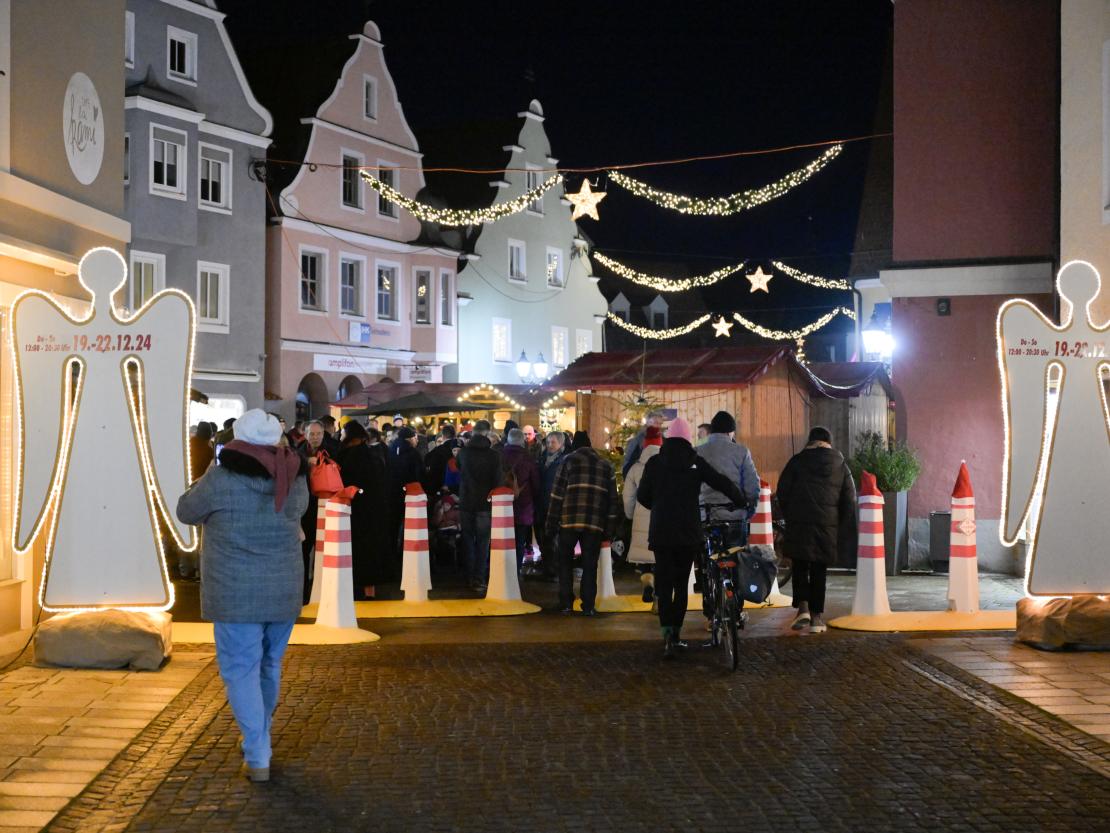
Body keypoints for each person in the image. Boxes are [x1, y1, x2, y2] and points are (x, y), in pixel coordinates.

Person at [176, 410, 309, 782]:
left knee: (241, 670)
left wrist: (206, 475)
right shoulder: (295, 475)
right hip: (283, 587)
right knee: (268, 665)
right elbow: (300, 512)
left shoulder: (221, 478)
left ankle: (257, 752)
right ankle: (259, 737)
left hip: (236, 591)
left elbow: (186, 511)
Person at [636, 417, 746, 658]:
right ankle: (676, 633)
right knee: (680, 584)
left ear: (668, 437)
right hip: (688, 532)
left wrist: (659, 504)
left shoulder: (655, 462)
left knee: (663, 584)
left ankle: (667, 635)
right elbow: (721, 482)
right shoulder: (695, 461)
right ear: (688, 438)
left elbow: (642, 496)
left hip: (662, 531)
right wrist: (740, 500)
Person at [776, 425, 858, 634]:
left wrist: (790, 516)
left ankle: (802, 607)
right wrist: (840, 524)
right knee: (820, 569)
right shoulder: (840, 464)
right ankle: (816, 618)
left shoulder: (796, 461)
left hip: (799, 522)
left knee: (801, 564)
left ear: (810, 441)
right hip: (827, 524)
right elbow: (850, 499)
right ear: (828, 442)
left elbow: (782, 492)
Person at [544, 431, 619, 615]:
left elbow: (557, 495)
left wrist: (551, 525)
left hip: (568, 521)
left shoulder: (567, 462)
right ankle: (588, 606)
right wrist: (609, 530)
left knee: (565, 563)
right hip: (594, 523)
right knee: (589, 565)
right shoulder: (606, 465)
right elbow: (612, 500)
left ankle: (566, 603)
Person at [337, 420, 391, 598]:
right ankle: (370, 591)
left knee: (356, 550)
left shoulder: (349, 455)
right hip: (374, 511)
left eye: (344, 432)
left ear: (351, 435)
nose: (341, 435)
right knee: (369, 551)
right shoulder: (371, 454)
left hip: (354, 510)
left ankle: (355, 588)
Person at [457, 420, 502, 591]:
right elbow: (498, 480)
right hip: (485, 504)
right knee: (483, 541)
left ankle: (468, 576)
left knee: (467, 539)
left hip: (466, 501)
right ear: (488, 433)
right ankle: (479, 577)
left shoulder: (463, 453)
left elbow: (460, 471)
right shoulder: (494, 455)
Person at [697, 410, 760, 523]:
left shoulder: (697, 451)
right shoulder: (742, 452)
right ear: (730, 432)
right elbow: (752, 486)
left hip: (705, 515)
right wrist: (751, 508)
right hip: (734, 515)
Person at [622, 425, 662, 602]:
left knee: (645, 557)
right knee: (661, 557)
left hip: (641, 516)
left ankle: (647, 582)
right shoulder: (668, 465)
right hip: (663, 517)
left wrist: (630, 515)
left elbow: (628, 496)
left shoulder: (636, 468)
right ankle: (660, 595)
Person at [501, 428, 541, 572]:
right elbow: (536, 484)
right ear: (522, 441)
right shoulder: (528, 458)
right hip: (523, 505)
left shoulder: (499, 456)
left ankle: (501, 570)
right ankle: (515, 570)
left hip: (502, 505)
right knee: (519, 541)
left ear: (508, 440)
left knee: (502, 539)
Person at [534, 430, 569, 578]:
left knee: (552, 536)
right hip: (541, 502)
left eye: (553, 442)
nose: (549, 445)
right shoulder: (542, 459)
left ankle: (553, 568)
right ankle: (547, 563)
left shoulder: (564, 461)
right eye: (548, 442)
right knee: (541, 534)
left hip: (555, 504)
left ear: (561, 444)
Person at [621, 410, 665, 477]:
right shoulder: (637, 441)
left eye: (660, 423)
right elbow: (627, 465)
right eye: (656, 423)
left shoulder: (664, 440)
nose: (658, 426)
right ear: (648, 422)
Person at [423, 423, 458, 495]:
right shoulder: (462, 451)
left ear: (443, 436)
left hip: (440, 490)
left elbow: (432, 473)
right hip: (457, 490)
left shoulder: (435, 452)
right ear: (455, 436)